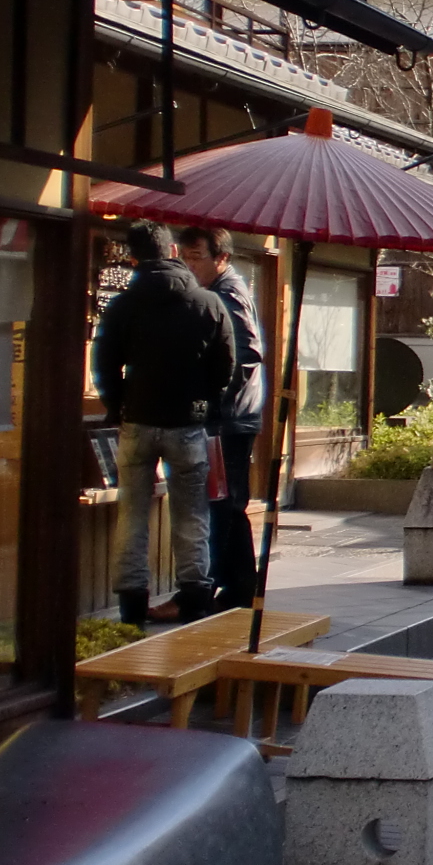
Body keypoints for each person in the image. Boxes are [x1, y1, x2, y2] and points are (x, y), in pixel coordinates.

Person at [93, 220, 235, 628]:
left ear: (133, 258)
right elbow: (225, 365)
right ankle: (194, 595)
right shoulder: (208, 303)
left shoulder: (123, 305)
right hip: (188, 423)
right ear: (172, 252)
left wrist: (118, 405)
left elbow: (104, 363)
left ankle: (132, 603)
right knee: (191, 514)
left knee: (132, 514)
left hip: (138, 421)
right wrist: (206, 404)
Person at [176, 226, 266, 611]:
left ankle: (224, 587)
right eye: (184, 257)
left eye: (196, 258)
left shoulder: (227, 294)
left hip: (229, 417)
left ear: (221, 258)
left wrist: (210, 400)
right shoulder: (218, 290)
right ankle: (239, 587)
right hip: (232, 415)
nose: (189, 265)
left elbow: (246, 355)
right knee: (227, 503)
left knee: (223, 503)